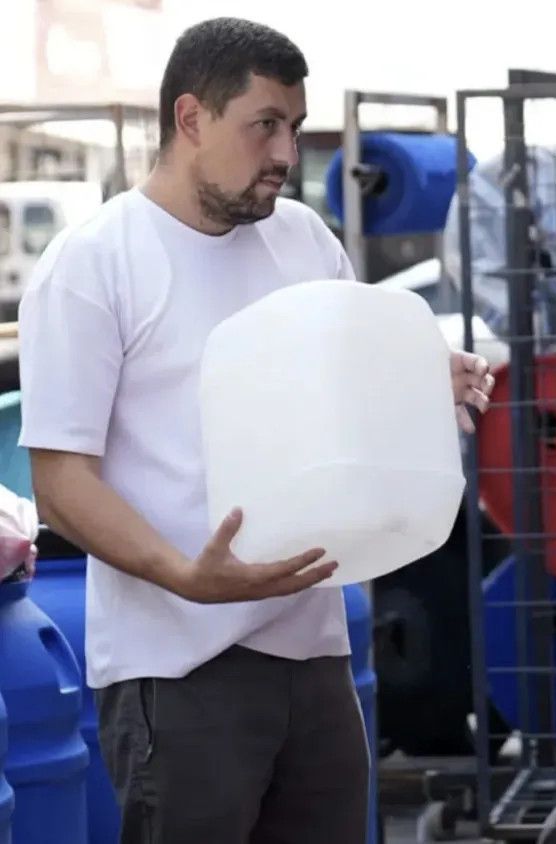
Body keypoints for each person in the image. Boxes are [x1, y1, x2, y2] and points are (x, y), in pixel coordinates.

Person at [16, 17, 493, 844]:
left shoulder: (304, 240)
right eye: (264, 125)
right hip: (178, 665)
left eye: (295, 127)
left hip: (315, 648)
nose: (285, 153)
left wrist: (414, 386)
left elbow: (334, 405)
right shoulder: (94, 262)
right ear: (191, 118)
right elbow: (61, 482)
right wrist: (185, 576)